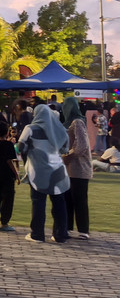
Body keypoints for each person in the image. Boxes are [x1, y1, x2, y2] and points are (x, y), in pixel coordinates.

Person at [18, 103, 70, 244]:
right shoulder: (60, 130)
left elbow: (20, 147)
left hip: (38, 172)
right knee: (59, 203)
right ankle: (60, 235)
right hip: (58, 171)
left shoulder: (29, 129)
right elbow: (65, 149)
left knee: (38, 202)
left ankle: (37, 234)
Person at [60, 97, 91, 240]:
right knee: (68, 199)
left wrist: (68, 156)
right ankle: (67, 227)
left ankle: (83, 230)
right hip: (68, 168)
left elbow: (82, 146)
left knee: (79, 199)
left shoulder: (77, 122)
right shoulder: (67, 123)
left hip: (79, 168)